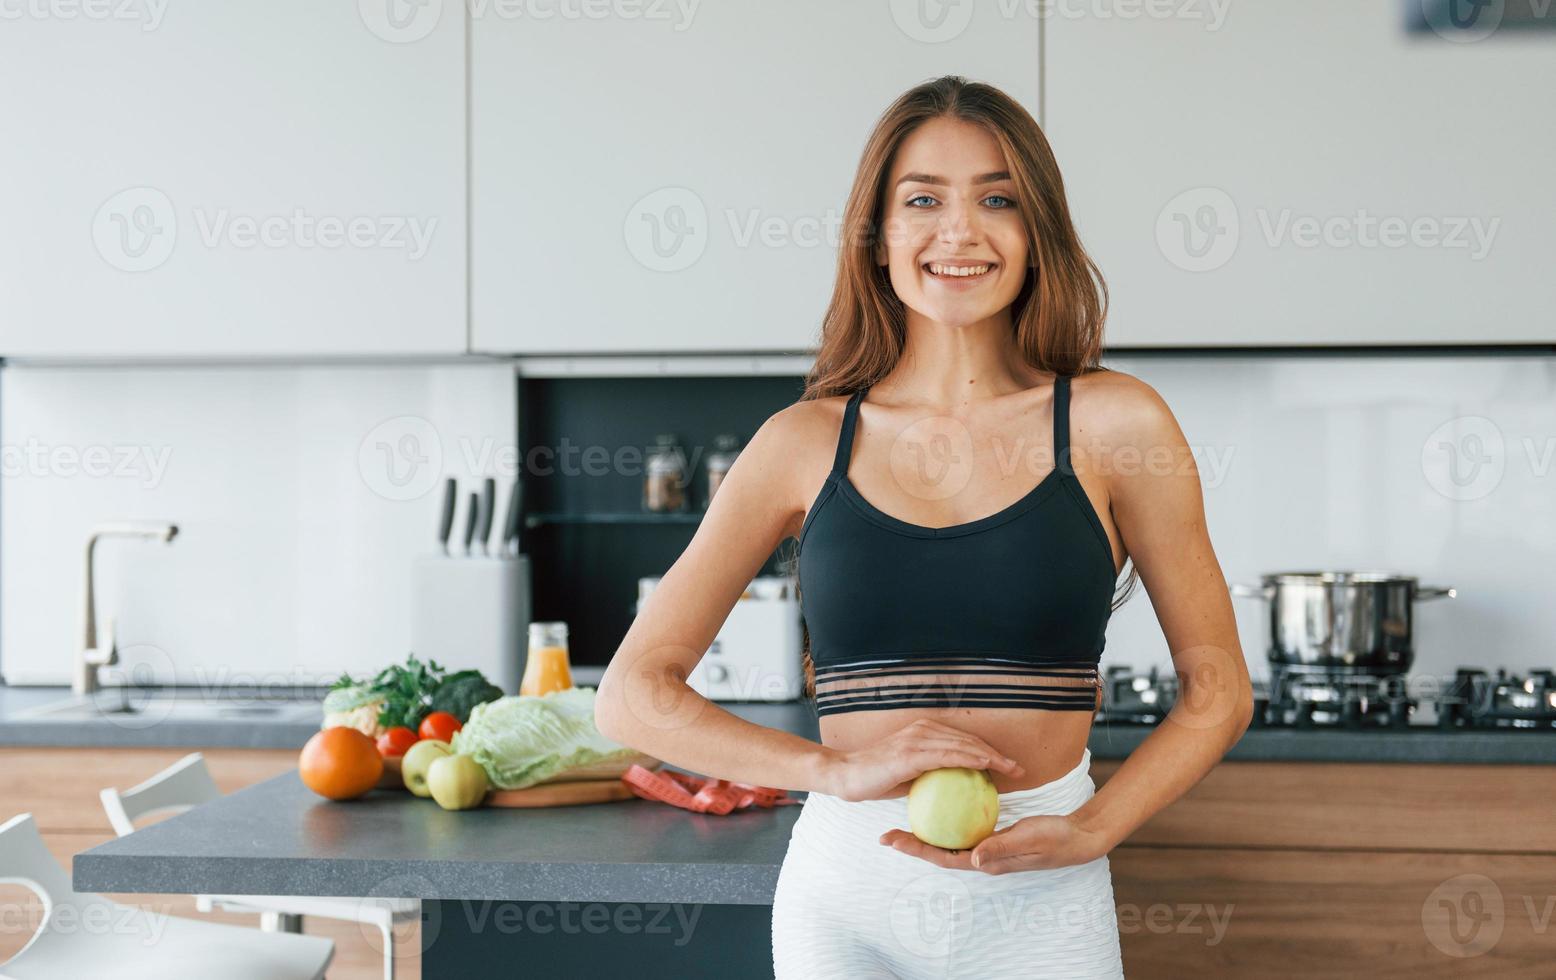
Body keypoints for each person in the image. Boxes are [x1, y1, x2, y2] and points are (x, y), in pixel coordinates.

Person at [596, 74, 1254, 979]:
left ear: (1037, 234)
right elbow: (632, 694)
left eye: (997, 199)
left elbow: (1218, 689)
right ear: (877, 239)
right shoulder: (800, 443)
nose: (960, 231)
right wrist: (829, 772)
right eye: (922, 201)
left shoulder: (1118, 425)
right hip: (846, 902)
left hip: (1044, 902)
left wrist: (1095, 826)